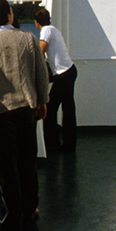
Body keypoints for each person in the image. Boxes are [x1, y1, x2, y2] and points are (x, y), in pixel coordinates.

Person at [0, 0, 50, 231]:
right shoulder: (28, 38)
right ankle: (30, 208)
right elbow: (41, 74)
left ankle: (14, 213)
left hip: (1, 111)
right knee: (27, 160)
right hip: (27, 108)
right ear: (8, 16)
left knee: (7, 164)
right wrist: (43, 100)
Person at [35, 8, 78, 153]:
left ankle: (52, 145)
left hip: (63, 74)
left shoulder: (45, 30)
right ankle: (69, 145)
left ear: (36, 23)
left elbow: (40, 51)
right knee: (68, 109)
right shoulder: (55, 29)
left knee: (50, 110)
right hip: (70, 70)